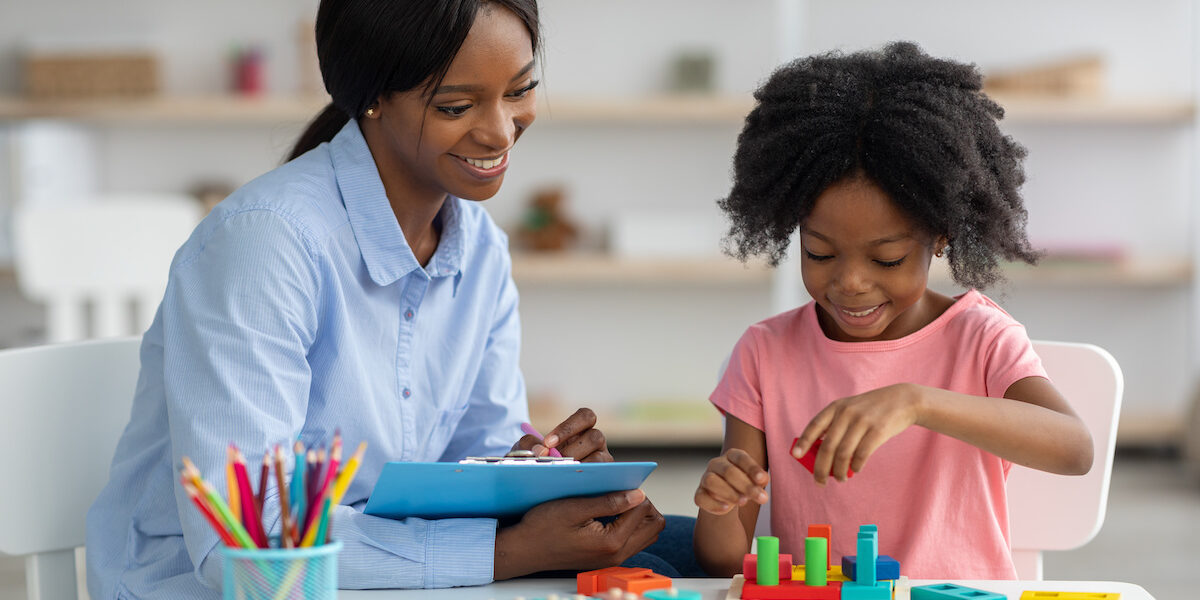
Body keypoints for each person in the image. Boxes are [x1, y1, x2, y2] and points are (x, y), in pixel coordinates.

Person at [85, 1, 676, 597]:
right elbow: (249, 544)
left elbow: (480, 451)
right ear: (374, 97)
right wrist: (510, 549)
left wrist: (536, 474)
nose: (500, 131)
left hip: (385, 579)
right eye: (456, 106)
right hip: (218, 587)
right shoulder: (265, 243)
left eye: (520, 90)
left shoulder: (480, 250)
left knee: (677, 551)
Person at [691, 41, 1095, 580]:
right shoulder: (765, 352)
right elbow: (724, 562)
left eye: (888, 258)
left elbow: (1074, 449)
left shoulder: (980, 337)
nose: (851, 282)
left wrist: (917, 402)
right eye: (819, 253)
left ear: (940, 237)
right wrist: (718, 505)